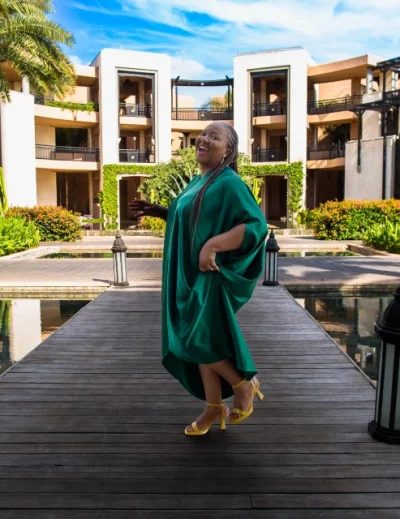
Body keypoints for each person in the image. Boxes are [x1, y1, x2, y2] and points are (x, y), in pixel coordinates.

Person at [129, 122, 268, 436]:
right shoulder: (200, 180)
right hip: (188, 277)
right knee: (202, 340)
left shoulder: (229, 182)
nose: (204, 138)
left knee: (193, 338)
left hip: (208, 277)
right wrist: (161, 211)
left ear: (227, 151)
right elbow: (194, 215)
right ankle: (213, 407)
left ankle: (243, 384)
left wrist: (213, 245)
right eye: (203, 134)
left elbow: (257, 227)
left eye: (214, 136)